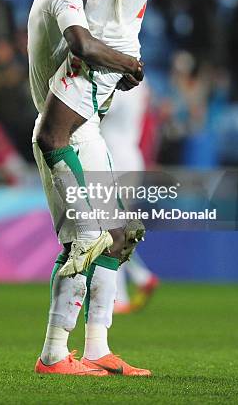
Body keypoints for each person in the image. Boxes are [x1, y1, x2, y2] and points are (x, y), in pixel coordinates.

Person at [32, 0, 188, 377]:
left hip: (101, 56)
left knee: (61, 151)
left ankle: (84, 342)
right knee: (108, 231)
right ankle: (92, 346)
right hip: (105, 59)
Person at [28, 0, 144, 376]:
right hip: (63, 136)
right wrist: (128, 64)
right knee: (84, 241)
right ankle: (54, 354)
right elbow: (82, 44)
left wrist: (117, 72)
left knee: (118, 234)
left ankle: (97, 346)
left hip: (86, 131)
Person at [100, 81, 159, 314]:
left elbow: (100, 111)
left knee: (110, 229)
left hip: (115, 158)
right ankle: (140, 278)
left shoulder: (118, 85)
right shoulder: (141, 84)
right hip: (130, 155)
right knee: (114, 228)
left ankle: (122, 295)